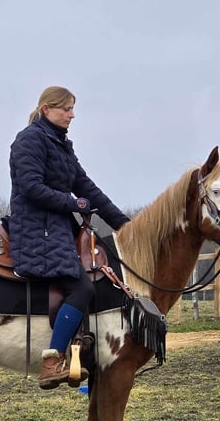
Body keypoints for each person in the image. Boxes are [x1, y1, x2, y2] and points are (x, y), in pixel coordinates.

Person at [9, 86, 130, 389]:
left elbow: (88, 189)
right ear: (47, 108)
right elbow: (30, 187)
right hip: (38, 230)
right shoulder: (30, 140)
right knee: (81, 285)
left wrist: (125, 226)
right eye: (66, 109)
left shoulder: (62, 145)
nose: (72, 115)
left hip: (58, 227)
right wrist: (72, 204)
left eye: (73, 109)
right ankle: (52, 362)